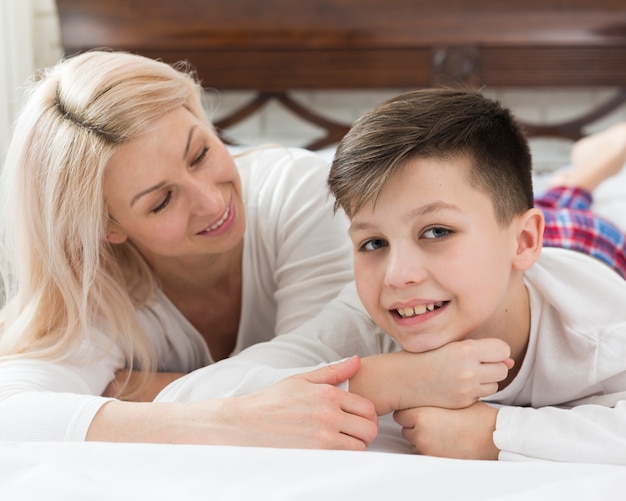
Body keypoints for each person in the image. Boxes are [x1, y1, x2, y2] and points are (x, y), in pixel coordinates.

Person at [0, 50, 507, 446]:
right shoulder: (93, 282)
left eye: (200, 153)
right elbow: (12, 414)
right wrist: (223, 420)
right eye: (161, 201)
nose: (211, 199)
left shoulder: (300, 192)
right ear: (109, 227)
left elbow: (323, 370)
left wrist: (130, 389)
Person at [158, 90, 626, 464]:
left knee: (574, 215)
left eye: (437, 231)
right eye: (372, 243)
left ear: (523, 243)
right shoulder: (360, 317)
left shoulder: (598, 321)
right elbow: (183, 401)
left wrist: (495, 434)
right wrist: (392, 380)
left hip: (587, 246)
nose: (397, 277)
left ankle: (585, 174)